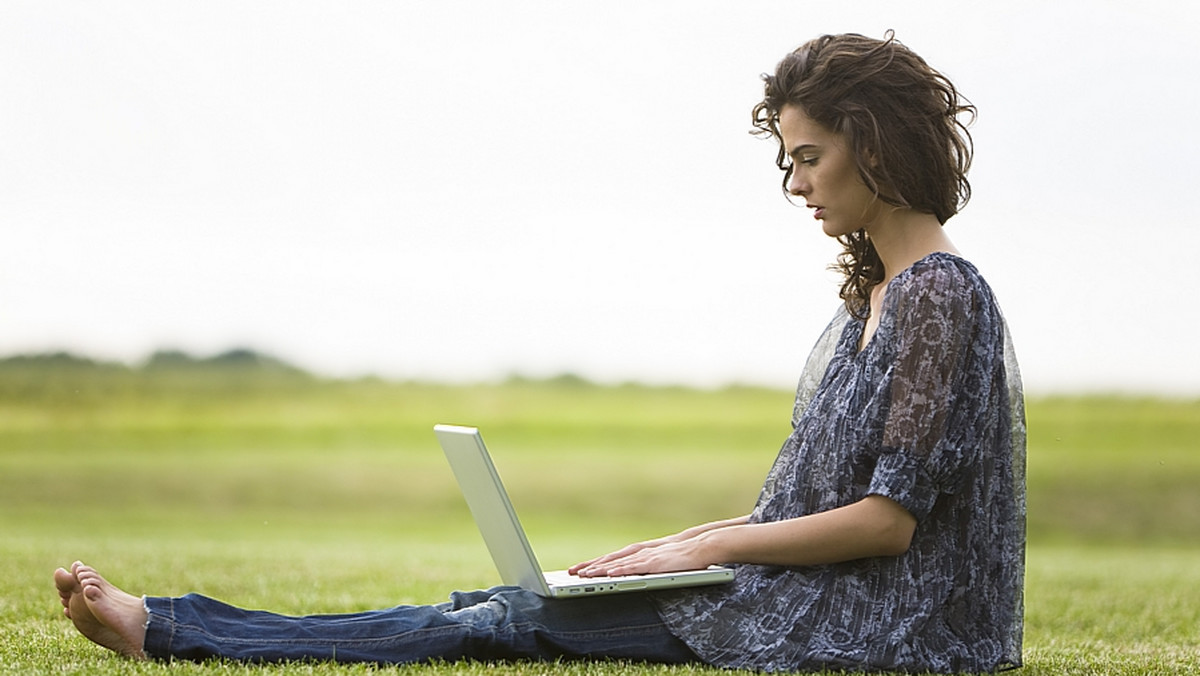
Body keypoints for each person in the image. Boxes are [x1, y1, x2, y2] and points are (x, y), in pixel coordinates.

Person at [54, 31, 1024, 673]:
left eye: (808, 158)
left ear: (874, 143)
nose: (798, 185)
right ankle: (175, 622)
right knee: (502, 601)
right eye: (789, 162)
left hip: (889, 634)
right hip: (813, 603)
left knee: (495, 621)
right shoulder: (872, 296)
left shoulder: (939, 293)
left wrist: (706, 545)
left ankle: (165, 626)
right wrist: (673, 550)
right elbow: (822, 507)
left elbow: (888, 523)